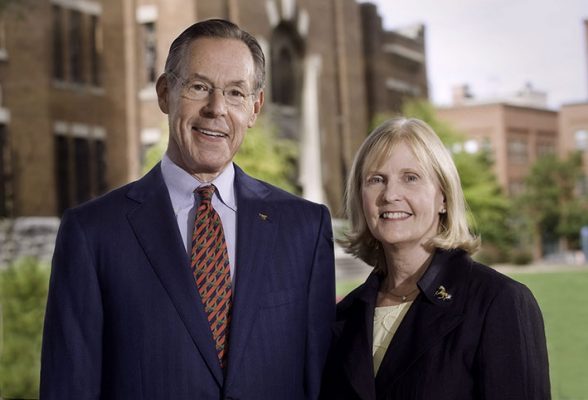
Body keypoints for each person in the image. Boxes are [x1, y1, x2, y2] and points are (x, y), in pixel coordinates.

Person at [40, 19, 335, 400]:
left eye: (235, 93)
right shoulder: (92, 233)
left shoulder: (306, 230)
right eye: (199, 87)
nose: (216, 109)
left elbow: (322, 383)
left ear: (255, 107)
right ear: (165, 93)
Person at [320, 118, 550, 399]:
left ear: (443, 197)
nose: (390, 195)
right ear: (361, 197)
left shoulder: (498, 302)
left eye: (410, 178)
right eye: (376, 180)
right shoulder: (346, 314)